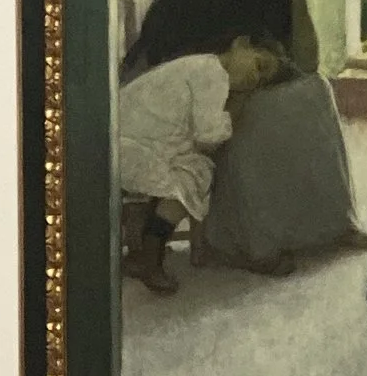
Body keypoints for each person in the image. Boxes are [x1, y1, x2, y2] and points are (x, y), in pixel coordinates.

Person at [122, 0, 361, 272]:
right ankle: (254, 244)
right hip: (175, 83)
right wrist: (235, 84)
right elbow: (166, 53)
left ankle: (333, 223)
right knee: (254, 119)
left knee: (315, 91)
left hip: (233, 80)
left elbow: (307, 63)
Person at [116, 37, 289, 293]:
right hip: (131, 149)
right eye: (259, 65)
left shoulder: (200, 66)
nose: (255, 79)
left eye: (261, 81)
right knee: (196, 174)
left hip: (128, 141)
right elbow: (207, 139)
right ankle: (150, 258)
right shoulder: (213, 75)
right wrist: (237, 104)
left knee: (189, 165)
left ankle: (140, 251)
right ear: (239, 45)